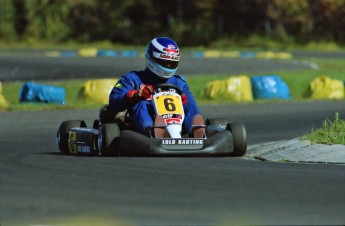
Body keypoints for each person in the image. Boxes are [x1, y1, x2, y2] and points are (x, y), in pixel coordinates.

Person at [108, 37, 205, 138]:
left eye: (172, 63)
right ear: (152, 58)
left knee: (189, 103)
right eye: (165, 63)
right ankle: (152, 132)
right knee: (142, 102)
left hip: (178, 123)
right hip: (139, 126)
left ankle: (196, 131)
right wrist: (135, 95)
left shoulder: (179, 83)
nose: (168, 66)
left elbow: (189, 104)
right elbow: (114, 100)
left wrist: (183, 102)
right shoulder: (133, 79)